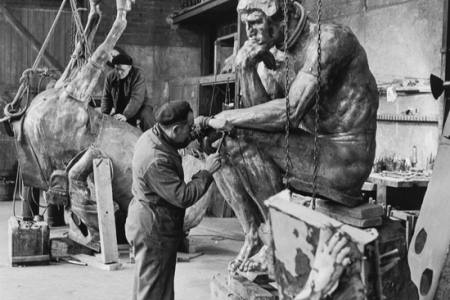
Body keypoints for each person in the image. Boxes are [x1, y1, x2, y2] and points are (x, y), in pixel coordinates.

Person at [206, 0, 379, 273]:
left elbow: (290, 112)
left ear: (282, 15)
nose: (248, 31)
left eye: (254, 22)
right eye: (246, 24)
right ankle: (256, 234)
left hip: (345, 160)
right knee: (220, 151)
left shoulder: (329, 41)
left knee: (236, 136)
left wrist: (229, 117)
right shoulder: (273, 58)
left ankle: (276, 238)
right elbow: (262, 119)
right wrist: (245, 67)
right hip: (313, 150)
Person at [125, 100, 231, 300]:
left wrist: (208, 123)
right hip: (153, 229)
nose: (192, 131)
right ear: (174, 129)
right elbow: (183, 196)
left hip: (156, 222)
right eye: (189, 127)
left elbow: (186, 135)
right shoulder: (155, 159)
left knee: (154, 287)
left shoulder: (157, 134)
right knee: (153, 292)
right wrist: (206, 172)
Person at [101, 53, 155, 131]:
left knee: (146, 116)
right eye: (116, 69)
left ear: (130, 67)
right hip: (121, 107)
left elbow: (137, 98)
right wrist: (104, 115)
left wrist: (126, 115)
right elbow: (106, 97)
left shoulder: (138, 74)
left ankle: (154, 139)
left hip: (140, 106)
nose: (119, 72)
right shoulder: (110, 76)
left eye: (122, 70)